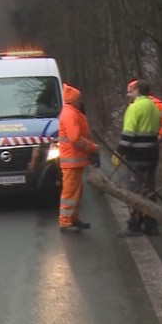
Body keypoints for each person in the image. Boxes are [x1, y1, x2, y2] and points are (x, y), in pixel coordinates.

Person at [115, 79, 161, 236]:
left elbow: (128, 135)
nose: (130, 93)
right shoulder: (154, 108)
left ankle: (134, 225)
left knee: (134, 192)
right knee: (149, 190)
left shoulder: (134, 108)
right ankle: (150, 224)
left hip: (136, 157)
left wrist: (119, 151)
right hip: (152, 156)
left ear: (137, 91)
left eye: (132, 90)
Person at [58, 83, 100, 233]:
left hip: (74, 159)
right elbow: (75, 138)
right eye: (79, 98)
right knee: (70, 192)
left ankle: (73, 219)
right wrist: (92, 147)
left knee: (76, 192)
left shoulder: (71, 112)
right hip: (72, 159)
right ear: (73, 99)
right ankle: (65, 222)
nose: (80, 100)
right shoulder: (70, 114)